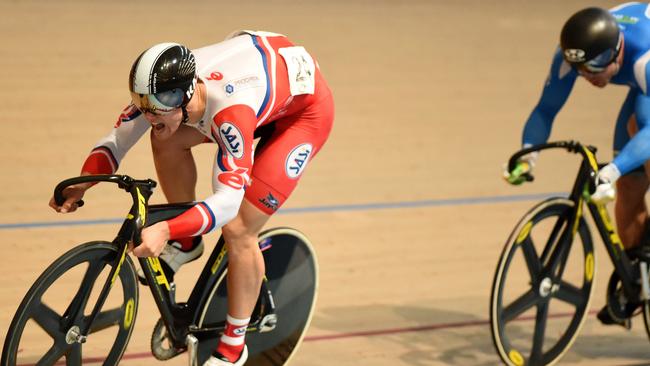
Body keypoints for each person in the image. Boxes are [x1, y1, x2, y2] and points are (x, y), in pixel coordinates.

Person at [49, 30, 334, 366]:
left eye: (156, 109)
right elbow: (117, 140)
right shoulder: (159, 92)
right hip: (259, 72)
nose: (149, 115)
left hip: (301, 116)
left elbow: (227, 202)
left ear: (184, 95)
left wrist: (167, 229)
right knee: (165, 137)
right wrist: (84, 183)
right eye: (144, 107)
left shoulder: (230, 113)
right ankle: (189, 244)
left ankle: (232, 348)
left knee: (239, 230)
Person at [504, 4, 650, 327]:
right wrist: (528, 155)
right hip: (642, 86)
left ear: (617, 52)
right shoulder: (575, 55)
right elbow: (545, 110)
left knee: (639, 125)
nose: (588, 77)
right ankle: (637, 279)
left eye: (596, 68)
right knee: (629, 185)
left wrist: (610, 171)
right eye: (581, 69)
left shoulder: (643, 59)